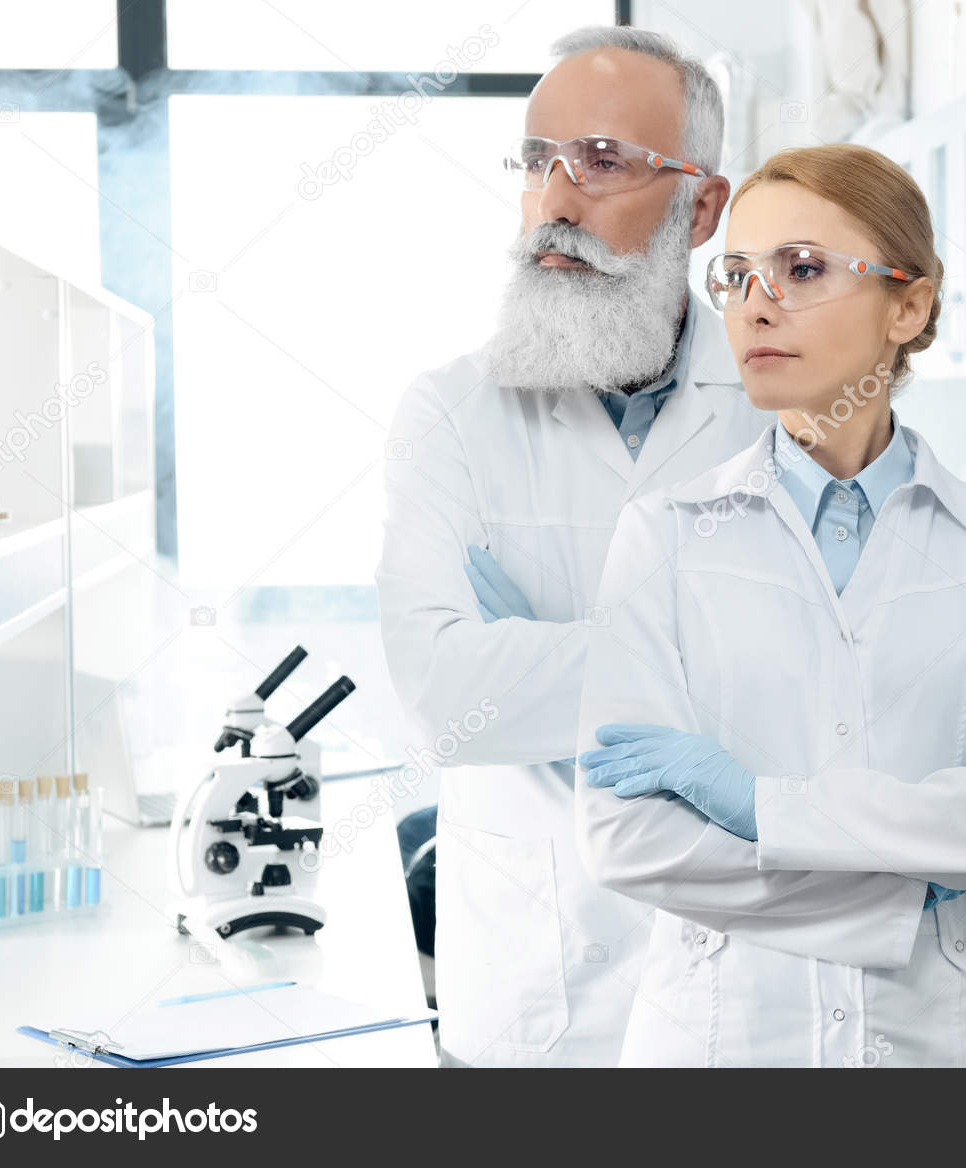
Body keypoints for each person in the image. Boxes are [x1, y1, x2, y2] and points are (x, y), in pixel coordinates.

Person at [573, 144, 966, 1067]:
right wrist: (921, 876)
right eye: (735, 272)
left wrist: (761, 809)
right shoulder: (661, 537)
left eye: (804, 268)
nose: (755, 301)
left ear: (909, 305)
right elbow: (628, 842)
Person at [377, 27, 769, 1067]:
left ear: (701, 207)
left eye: (600, 161)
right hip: (529, 1013)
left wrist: (537, 654)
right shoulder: (451, 416)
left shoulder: (791, 415)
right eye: (535, 160)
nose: (553, 202)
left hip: (745, 1004)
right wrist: (719, 648)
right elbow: (441, 700)